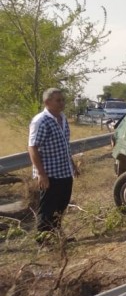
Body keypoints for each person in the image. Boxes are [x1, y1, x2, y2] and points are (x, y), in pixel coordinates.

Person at [28, 88, 80, 241]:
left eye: (63, 100)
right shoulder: (41, 121)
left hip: (64, 171)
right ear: (47, 102)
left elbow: (65, 145)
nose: (62, 103)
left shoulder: (62, 118)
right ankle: (44, 241)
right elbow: (32, 147)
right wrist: (41, 174)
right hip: (49, 174)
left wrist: (72, 165)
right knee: (47, 209)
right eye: (58, 100)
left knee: (61, 206)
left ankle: (57, 237)